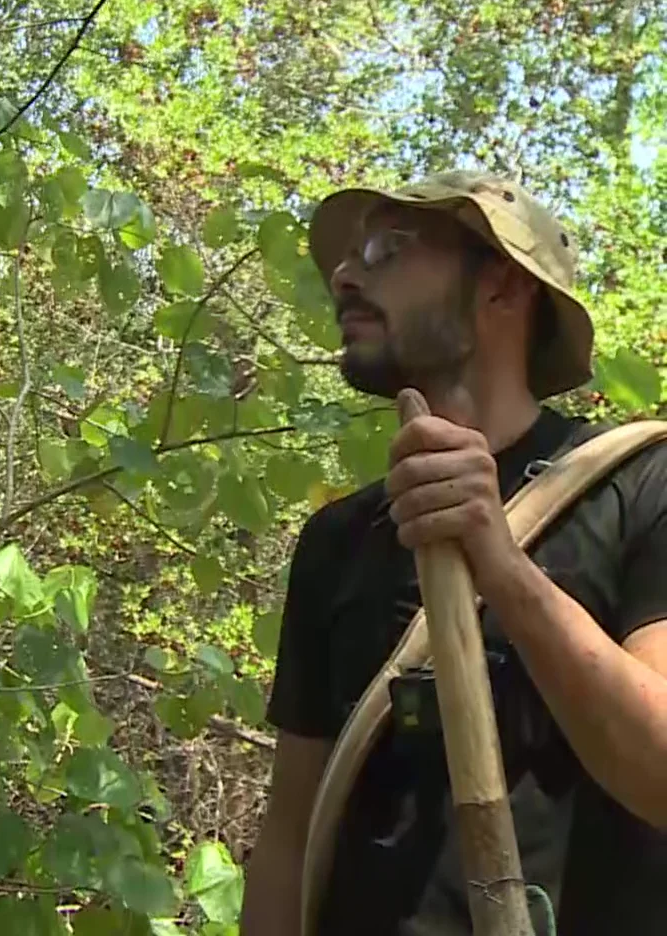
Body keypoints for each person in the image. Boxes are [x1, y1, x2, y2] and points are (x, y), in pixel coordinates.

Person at [238, 170, 667, 935]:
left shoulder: (641, 486)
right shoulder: (339, 541)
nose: (343, 275)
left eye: (385, 248)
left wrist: (499, 567)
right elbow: (288, 837)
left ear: (503, 287)